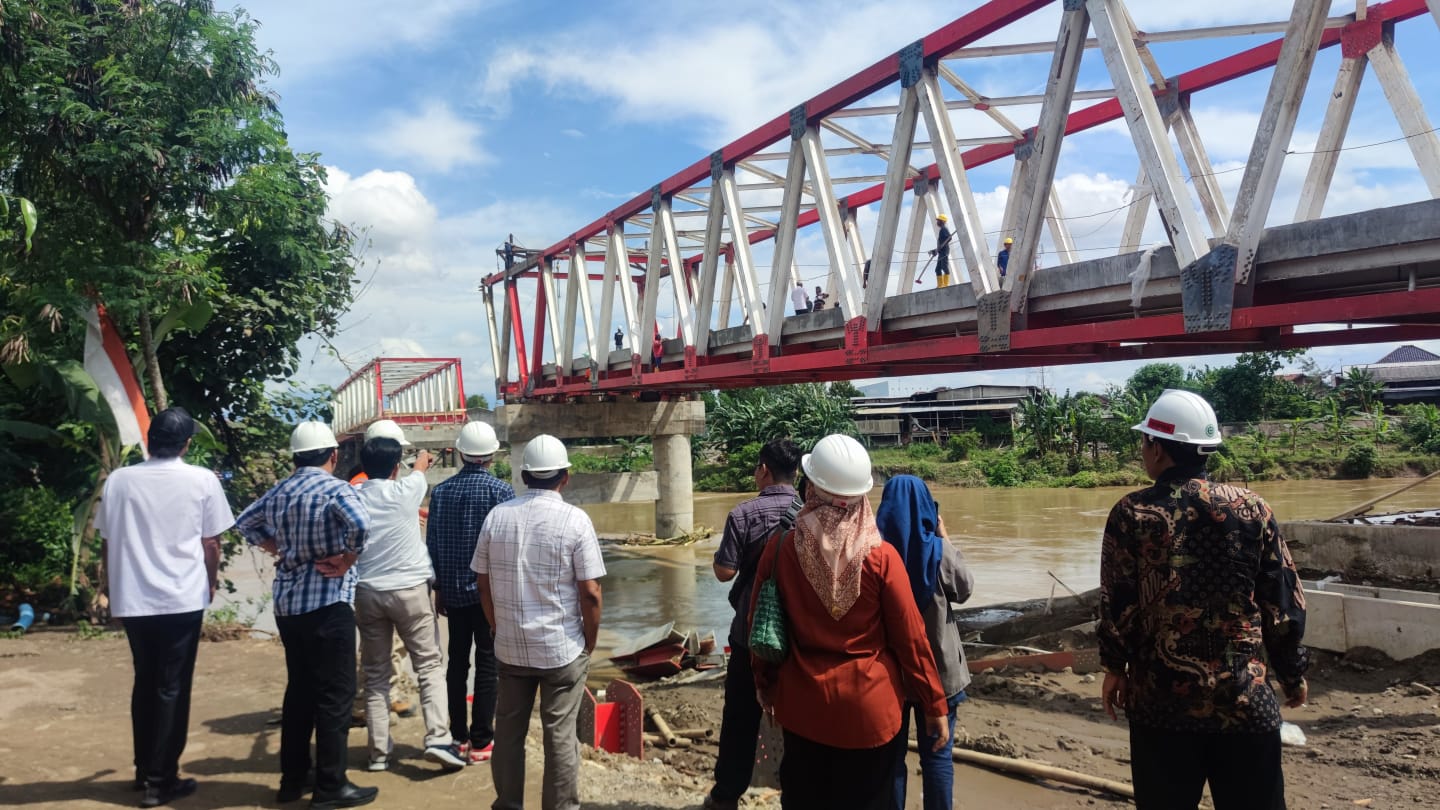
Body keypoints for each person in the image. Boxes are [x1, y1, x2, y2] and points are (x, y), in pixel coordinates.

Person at [1098, 389, 1309, 810]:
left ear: (1157, 448)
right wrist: (1291, 672)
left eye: (1144, 442)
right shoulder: (1253, 509)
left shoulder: (1132, 513)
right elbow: (1281, 603)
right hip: (1244, 702)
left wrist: (1114, 667)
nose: (1142, 450)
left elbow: (1118, 604)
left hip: (1160, 705)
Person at [751, 435, 948, 810]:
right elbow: (912, 640)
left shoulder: (778, 551)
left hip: (802, 708)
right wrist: (934, 705)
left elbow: (760, 628)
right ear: (860, 495)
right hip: (870, 715)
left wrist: (765, 687)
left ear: (810, 486)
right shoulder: (881, 557)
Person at [235, 421, 378, 809]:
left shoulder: (279, 491)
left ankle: (292, 780)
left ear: (295, 457)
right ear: (333, 456)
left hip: (288, 605)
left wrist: (275, 545)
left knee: (299, 692)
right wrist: (347, 558)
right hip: (328, 602)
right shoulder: (336, 489)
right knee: (336, 695)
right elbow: (363, 524)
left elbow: (245, 522)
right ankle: (331, 787)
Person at [97, 408, 233, 808]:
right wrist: (210, 580)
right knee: (172, 686)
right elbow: (211, 543)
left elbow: (108, 542)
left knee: (146, 681)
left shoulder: (120, 480)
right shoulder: (201, 480)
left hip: (135, 600)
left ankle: (145, 770)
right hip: (181, 599)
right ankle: (162, 779)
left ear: (150, 441)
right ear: (187, 443)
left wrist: (112, 591)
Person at [473, 434, 605, 810]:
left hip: (509, 648)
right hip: (561, 649)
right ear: (565, 476)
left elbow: (483, 584)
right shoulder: (576, 521)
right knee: (560, 737)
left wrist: (498, 626)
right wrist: (589, 643)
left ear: (524, 475)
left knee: (509, 733)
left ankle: (509, 804)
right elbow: (591, 593)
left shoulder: (497, 517)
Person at [352, 437, 465, 772]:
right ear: (394, 468)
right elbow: (420, 470)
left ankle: (378, 754)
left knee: (375, 674)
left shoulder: (352, 495)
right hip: (410, 590)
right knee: (429, 665)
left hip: (367, 591)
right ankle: (438, 739)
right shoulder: (406, 491)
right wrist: (422, 459)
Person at [705, 440, 804, 810]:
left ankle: (726, 795)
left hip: (750, 632)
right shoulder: (809, 511)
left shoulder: (743, 514)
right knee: (799, 721)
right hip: (797, 634)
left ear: (763, 469)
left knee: (739, 721)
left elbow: (723, 572)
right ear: (795, 472)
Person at [875, 475, 974, 810]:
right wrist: (945, 537)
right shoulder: (939, 551)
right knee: (937, 756)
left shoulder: (875, 554)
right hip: (941, 673)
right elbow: (965, 589)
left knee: (891, 759)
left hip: (892, 676)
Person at [427, 421, 514, 764]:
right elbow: (506, 549)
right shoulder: (501, 492)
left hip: (454, 593)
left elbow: (433, 544)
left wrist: (439, 590)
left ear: (461, 453)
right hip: (490, 595)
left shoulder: (442, 492)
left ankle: (457, 736)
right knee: (488, 663)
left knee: (457, 664)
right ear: (492, 454)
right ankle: (482, 740)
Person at [347, 419, 418, 719]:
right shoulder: (369, 486)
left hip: (368, 581)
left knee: (384, 645)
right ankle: (372, 702)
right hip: (384, 580)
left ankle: (383, 696)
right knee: (384, 646)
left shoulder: (358, 484)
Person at [928, 214, 952, 288]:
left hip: (944, 251)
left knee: (944, 267)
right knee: (937, 269)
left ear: (942, 221)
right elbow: (940, 244)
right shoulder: (941, 230)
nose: (937, 221)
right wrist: (934, 251)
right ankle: (940, 285)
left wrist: (943, 245)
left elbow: (949, 237)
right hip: (941, 252)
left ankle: (945, 284)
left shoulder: (944, 229)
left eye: (938, 220)